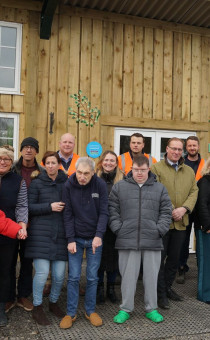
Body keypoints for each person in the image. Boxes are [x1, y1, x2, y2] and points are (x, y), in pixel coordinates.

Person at [109, 155, 172, 324]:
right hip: (127, 239)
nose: (139, 173)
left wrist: (159, 230)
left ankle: (151, 308)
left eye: (142, 170)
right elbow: (112, 210)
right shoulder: (119, 187)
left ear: (148, 170)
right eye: (136, 170)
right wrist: (118, 228)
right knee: (127, 277)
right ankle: (125, 309)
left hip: (152, 239)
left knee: (151, 277)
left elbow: (166, 211)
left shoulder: (159, 189)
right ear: (131, 169)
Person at [60, 157, 108, 329]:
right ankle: (71, 313)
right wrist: (70, 239)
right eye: (79, 172)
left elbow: (104, 213)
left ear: (93, 173)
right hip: (77, 239)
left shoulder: (100, 185)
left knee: (93, 277)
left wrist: (99, 235)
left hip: (95, 238)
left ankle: (90, 310)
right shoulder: (68, 185)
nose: (82, 177)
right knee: (73, 277)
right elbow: (68, 215)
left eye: (86, 173)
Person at [151, 137, 198, 310]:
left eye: (180, 149)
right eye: (174, 149)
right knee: (159, 259)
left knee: (175, 259)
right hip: (162, 222)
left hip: (181, 222)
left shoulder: (189, 171)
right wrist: (172, 209)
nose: (177, 152)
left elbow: (194, 192)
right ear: (167, 149)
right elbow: (155, 190)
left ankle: (167, 287)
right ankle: (160, 293)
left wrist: (184, 209)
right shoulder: (156, 168)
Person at [25, 151, 68, 326]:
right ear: (44, 165)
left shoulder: (67, 183)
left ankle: (54, 303)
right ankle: (37, 307)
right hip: (40, 234)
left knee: (58, 275)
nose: (51, 166)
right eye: (48, 163)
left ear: (59, 164)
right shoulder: (36, 184)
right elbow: (29, 208)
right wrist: (49, 207)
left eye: (54, 163)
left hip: (61, 234)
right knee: (42, 274)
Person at [7, 137, 44, 313]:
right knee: (9, 260)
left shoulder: (42, 172)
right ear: (21, 150)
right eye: (25, 147)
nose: (28, 150)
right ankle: (8, 297)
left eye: (32, 147)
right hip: (10, 222)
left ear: (36, 151)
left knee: (28, 261)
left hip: (34, 223)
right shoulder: (11, 168)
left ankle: (23, 295)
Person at [0, 145, 28, 327]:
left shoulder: (18, 181)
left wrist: (22, 227)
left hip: (9, 231)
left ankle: (2, 306)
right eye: (0, 159)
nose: (2, 162)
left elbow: (22, 206)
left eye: (6, 159)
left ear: (12, 163)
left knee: (5, 269)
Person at [96, 151, 123, 304]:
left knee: (113, 259)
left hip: (115, 226)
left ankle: (111, 289)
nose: (109, 163)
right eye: (106, 160)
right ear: (102, 162)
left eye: (112, 161)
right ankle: (99, 288)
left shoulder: (122, 180)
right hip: (98, 225)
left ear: (116, 163)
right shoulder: (94, 178)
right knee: (99, 259)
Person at [176, 136, 205, 284]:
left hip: (201, 207)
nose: (192, 148)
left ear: (198, 146)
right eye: (189, 146)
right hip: (186, 206)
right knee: (183, 239)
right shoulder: (181, 163)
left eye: (194, 145)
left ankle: (203, 268)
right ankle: (181, 267)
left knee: (201, 238)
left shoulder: (205, 164)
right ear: (186, 148)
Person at [194, 157, 210, 302]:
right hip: (206, 229)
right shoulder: (205, 181)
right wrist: (207, 225)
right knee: (206, 262)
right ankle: (205, 295)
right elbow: (202, 205)